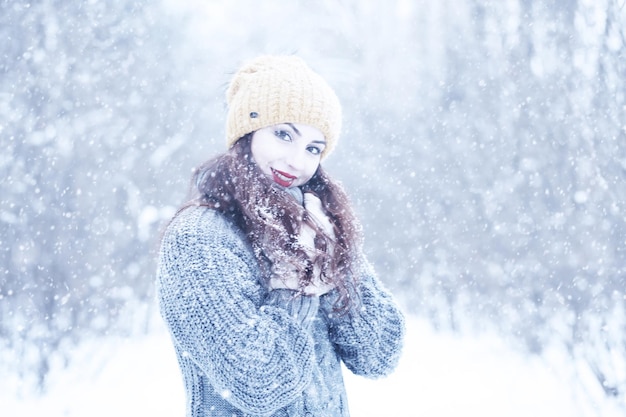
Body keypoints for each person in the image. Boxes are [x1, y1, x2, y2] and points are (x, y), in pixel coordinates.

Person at [156, 55, 405, 417]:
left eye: (313, 148)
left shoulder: (317, 226)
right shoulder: (199, 239)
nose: (296, 161)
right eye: (283, 134)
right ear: (246, 134)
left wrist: (338, 266)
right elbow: (258, 383)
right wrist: (294, 288)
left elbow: (378, 355)